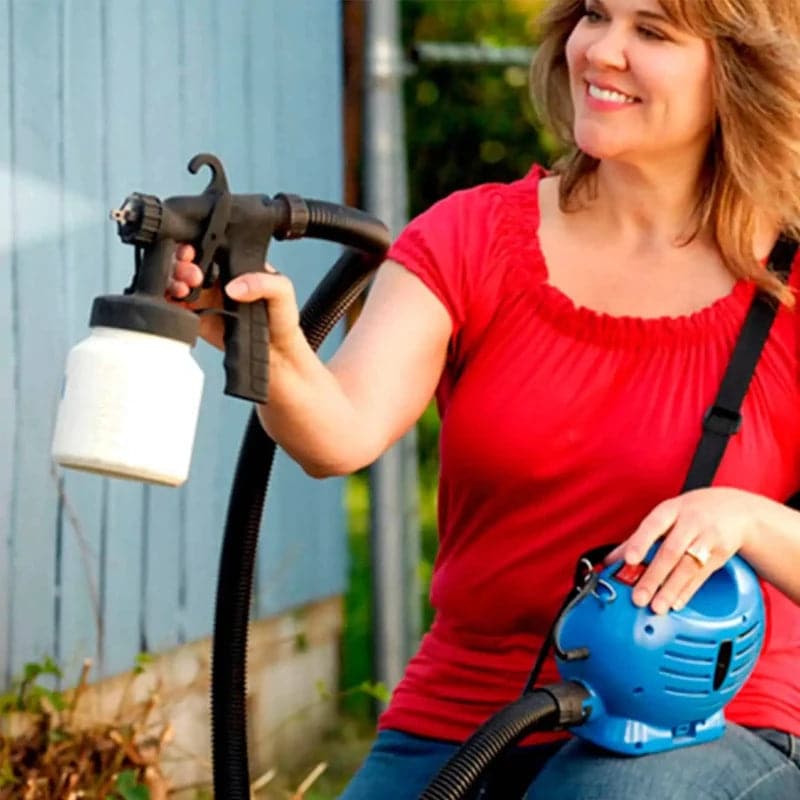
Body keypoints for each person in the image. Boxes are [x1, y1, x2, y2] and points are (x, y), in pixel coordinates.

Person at [170, 0, 800, 796]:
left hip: (712, 727)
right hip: (466, 717)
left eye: (652, 32)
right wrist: (273, 347)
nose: (602, 52)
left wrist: (746, 516)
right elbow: (339, 433)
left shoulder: (787, 286)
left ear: (739, 69)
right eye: (596, 15)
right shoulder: (470, 238)